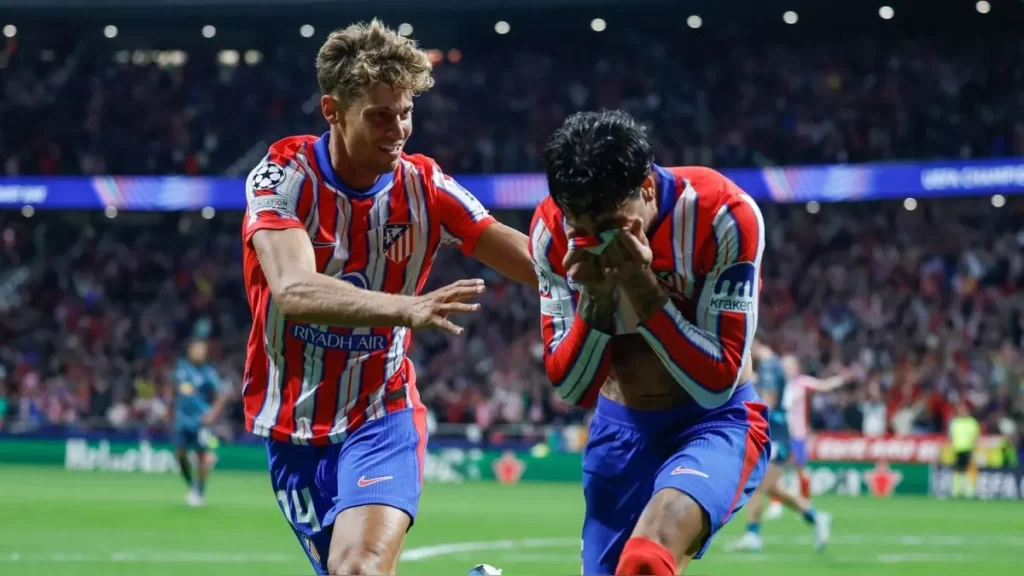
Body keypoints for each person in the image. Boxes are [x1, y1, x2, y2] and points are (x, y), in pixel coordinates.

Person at [240, 20, 535, 576]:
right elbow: (294, 289)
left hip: (382, 409)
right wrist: (406, 307)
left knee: (359, 568)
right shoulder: (282, 178)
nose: (398, 130)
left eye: (405, 113)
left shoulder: (425, 185)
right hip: (292, 424)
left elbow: (517, 253)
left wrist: (595, 270)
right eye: (380, 115)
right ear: (332, 111)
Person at [530, 109, 770, 575]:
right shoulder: (549, 231)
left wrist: (642, 286)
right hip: (619, 429)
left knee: (645, 560)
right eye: (581, 229)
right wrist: (597, 299)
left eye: (609, 226)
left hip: (714, 422)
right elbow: (573, 388)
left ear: (645, 188)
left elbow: (717, 383)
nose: (596, 243)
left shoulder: (724, 214)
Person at [726, 344, 848, 553]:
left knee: (756, 484)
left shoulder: (777, 373)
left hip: (779, 436)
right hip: (778, 434)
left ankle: (753, 534)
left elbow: (770, 402)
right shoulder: (772, 374)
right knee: (773, 488)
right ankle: (816, 517)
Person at [170, 339, 230, 507]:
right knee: (180, 455)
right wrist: (169, 410)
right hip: (182, 420)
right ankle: (192, 485)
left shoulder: (208, 372)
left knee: (202, 456)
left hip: (201, 422)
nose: (199, 353)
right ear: (190, 351)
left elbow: (222, 394)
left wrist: (212, 413)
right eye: (197, 349)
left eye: (202, 350)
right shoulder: (181, 368)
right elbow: (173, 390)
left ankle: (199, 491)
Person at [949, 401, 980, 498]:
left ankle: (969, 491)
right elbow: (951, 436)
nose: (962, 411)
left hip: (968, 449)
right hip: (957, 449)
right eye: (960, 409)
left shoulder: (972, 422)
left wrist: (974, 448)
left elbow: (975, 437)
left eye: (964, 409)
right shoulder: (955, 422)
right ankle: (956, 491)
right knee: (957, 470)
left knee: (969, 470)